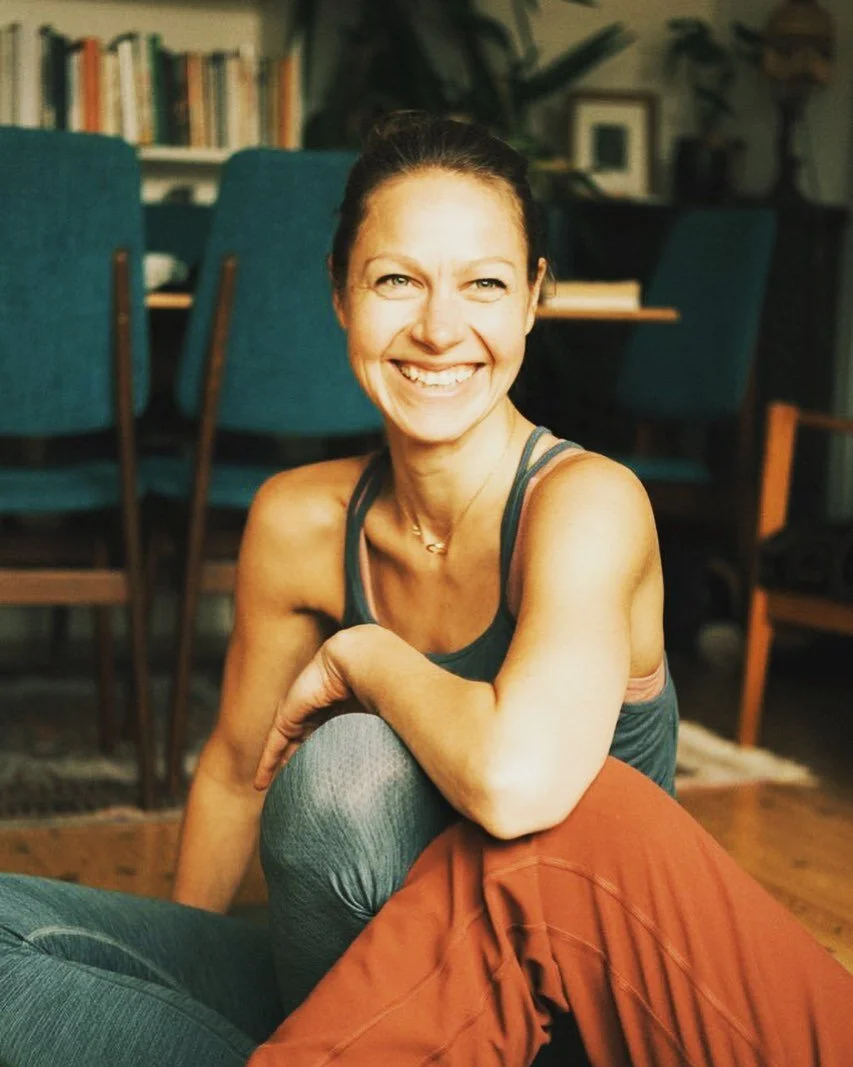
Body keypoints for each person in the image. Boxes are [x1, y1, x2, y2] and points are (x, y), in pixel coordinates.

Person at [0, 112, 848, 1067]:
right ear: (339, 294)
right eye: (396, 280)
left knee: (347, 767)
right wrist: (169, 973)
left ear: (532, 300)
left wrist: (363, 655)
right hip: (359, 987)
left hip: (552, 1005)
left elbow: (513, 784)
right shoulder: (299, 519)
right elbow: (236, 771)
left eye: (483, 284)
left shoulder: (586, 504)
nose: (440, 329)